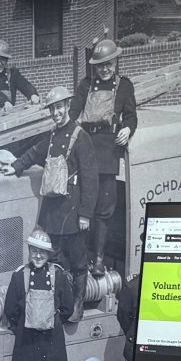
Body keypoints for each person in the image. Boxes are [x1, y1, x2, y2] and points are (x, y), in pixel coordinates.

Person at [3, 86, 96, 321]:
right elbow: (33, 154)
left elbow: (90, 179)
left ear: (67, 107)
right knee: (54, 260)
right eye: (53, 108)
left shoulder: (80, 136)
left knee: (77, 260)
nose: (56, 112)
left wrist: (85, 214)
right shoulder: (53, 136)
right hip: (52, 211)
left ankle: (77, 304)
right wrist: (14, 167)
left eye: (59, 107)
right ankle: (55, 303)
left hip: (73, 211)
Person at [70, 39, 136, 279]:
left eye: (108, 64)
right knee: (84, 205)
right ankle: (80, 257)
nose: (105, 69)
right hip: (86, 149)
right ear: (94, 67)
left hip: (109, 153)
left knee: (105, 210)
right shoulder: (85, 85)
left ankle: (98, 259)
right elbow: (72, 112)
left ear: (115, 62)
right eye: (100, 66)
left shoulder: (125, 86)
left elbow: (131, 117)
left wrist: (127, 130)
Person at [4, 229, 75, 361]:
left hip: (52, 348)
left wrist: (49, 322)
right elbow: (10, 311)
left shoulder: (59, 275)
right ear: (29, 250)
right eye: (34, 251)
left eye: (42, 252)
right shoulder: (19, 277)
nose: (38, 256)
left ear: (49, 254)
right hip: (27, 348)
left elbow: (68, 308)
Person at [0, 39, 40, 115]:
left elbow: (25, 85)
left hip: (9, 118)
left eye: (2, 60)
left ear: (6, 61)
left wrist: (33, 94)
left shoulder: (13, 75)